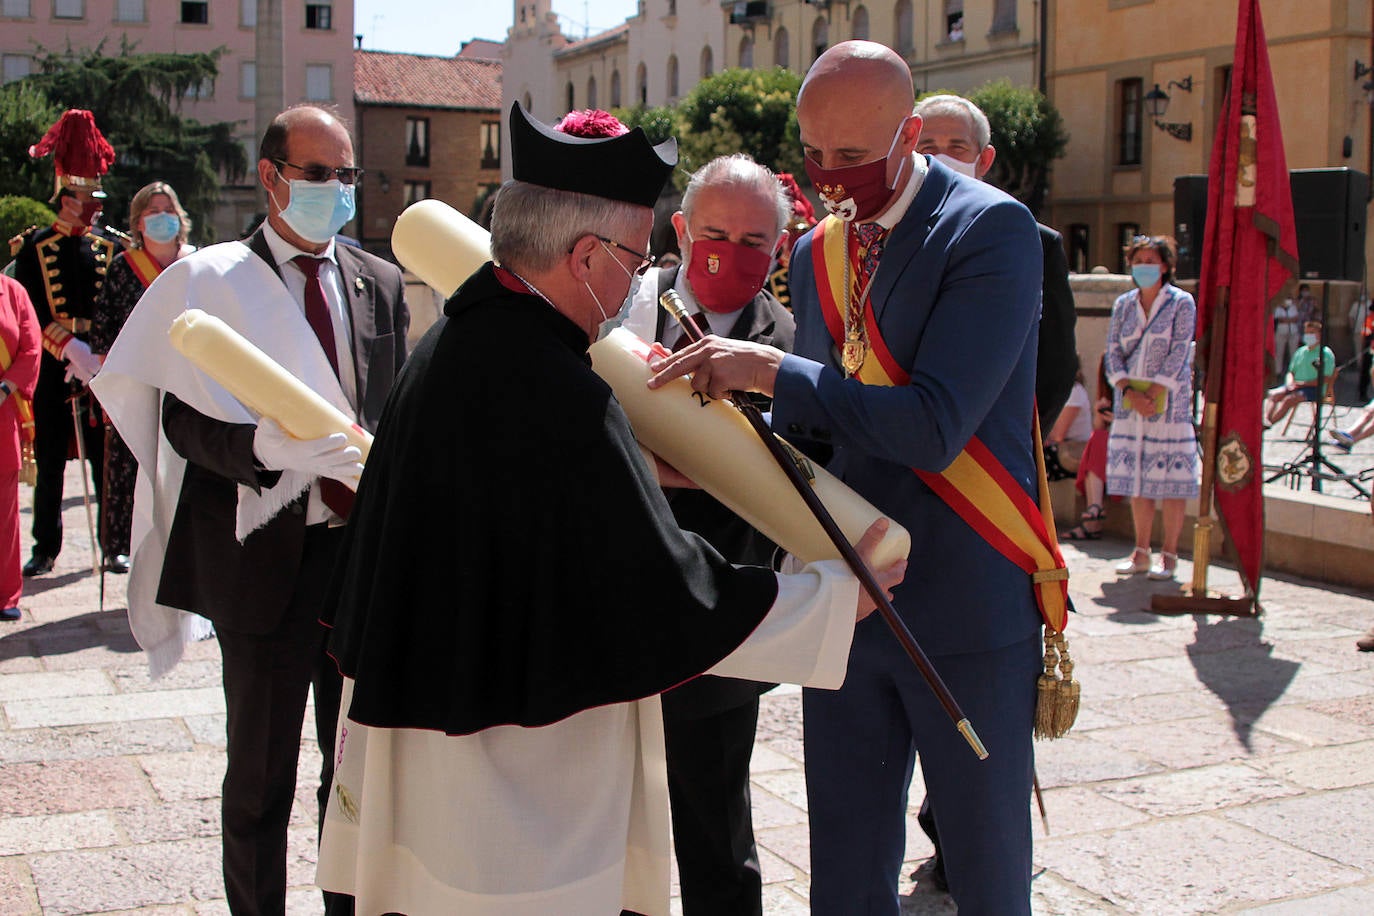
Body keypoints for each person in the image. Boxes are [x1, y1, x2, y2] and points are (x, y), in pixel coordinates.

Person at [313, 103, 904, 916]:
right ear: (585, 256)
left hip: (436, 723)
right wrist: (839, 600)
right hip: (506, 775)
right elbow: (661, 593)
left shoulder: (458, 341)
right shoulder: (556, 389)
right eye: (633, 257)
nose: (638, 278)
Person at [649, 40, 1047, 914]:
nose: (829, 176)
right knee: (847, 871)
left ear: (908, 133)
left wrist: (767, 369)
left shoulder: (989, 230)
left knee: (983, 874)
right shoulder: (816, 252)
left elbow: (936, 426)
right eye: (814, 154)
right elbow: (814, 436)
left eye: (852, 156)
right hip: (850, 595)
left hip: (966, 597)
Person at [92, 104, 409, 916]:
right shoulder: (212, 281)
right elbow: (181, 420)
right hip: (263, 559)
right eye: (318, 175)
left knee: (356, 778)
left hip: (355, 559)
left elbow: (393, 406)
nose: (337, 191)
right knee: (261, 780)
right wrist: (265, 450)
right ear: (270, 178)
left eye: (347, 176)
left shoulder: (379, 281)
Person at [620, 152, 796, 916]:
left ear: (779, 250)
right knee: (604, 824)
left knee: (715, 827)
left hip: (718, 614)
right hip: (611, 600)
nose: (734, 253)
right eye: (717, 232)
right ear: (683, 229)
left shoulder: (789, 338)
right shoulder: (621, 307)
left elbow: (801, 467)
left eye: (756, 241)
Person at [913, 93, 1079, 430]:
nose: (942, 158)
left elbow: (1055, 368)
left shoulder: (1037, 243)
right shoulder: (878, 240)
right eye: (928, 148)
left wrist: (1011, 445)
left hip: (989, 455)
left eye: (957, 147)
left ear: (984, 159)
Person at [9, 109, 118, 577]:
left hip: (99, 364)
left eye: (95, 196)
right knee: (51, 461)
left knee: (104, 463)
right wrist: (67, 349)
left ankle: (113, 544)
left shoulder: (110, 247)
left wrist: (96, 353)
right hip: (56, 366)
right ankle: (46, 547)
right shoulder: (34, 247)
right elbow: (30, 310)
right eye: (82, 195)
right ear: (63, 195)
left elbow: (115, 306)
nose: (91, 204)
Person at [89, 181, 196, 575]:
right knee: (126, 464)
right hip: (138, 380)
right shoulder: (122, 268)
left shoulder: (195, 263)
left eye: (167, 209)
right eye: (152, 210)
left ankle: (182, 541)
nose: (161, 216)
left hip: (187, 383)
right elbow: (104, 329)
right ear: (138, 221)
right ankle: (119, 546)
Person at [1105, 234, 1199, 581]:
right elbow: (1112, 351)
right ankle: (1140, 550)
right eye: (1138, 260)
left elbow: (1180, 349)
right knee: (1139, 481)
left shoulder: (1181, 303)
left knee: (1171, 483)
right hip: (1131, 407)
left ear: (1165, 266)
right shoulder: (1124, 305)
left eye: (1151, 260)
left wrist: (1155, 393)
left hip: (1168, 408)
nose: (1144, 267)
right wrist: (1130, 392)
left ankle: (1170, 554)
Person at [0, 276, 41, 621]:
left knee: (4, 513)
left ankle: (5, 594)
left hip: (1, 414)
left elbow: (31, 348)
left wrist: (3, 389)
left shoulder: (13, 293)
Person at [1063, 357, 1116, 541]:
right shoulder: (1107, 395)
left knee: (1098, 440)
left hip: (1125, 453)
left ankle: (1093, 513)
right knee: (1098, 438)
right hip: (1108, 455)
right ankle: (1094, 511)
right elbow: (1097, 428)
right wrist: (1102, 416)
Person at [1264, 320, 1336, 428]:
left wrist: (1301, 384)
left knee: (1289, 400)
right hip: (1295, 385)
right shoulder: (1300, 352)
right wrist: (1290, 382)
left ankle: (1268, 425)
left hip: (1314, 389)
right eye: (1307, 333)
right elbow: (1291, 371)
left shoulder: (1326, 354)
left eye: (1312, 333)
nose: (1308, 336)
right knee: (1273, 395)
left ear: (1319, 335)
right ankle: (1265, 420)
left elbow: (1326, 378)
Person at [1272, 292, 1302, 386]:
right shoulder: (1278, 308)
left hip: (1293, 332)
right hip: (1281, 332)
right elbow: (1279, 319)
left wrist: (1287, 320)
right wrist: (1289, 319)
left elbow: (1296, 318)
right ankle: (1277, 373)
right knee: (1279, 353)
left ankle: (1293, 373)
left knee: (1294, 353)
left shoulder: (1293, 307)